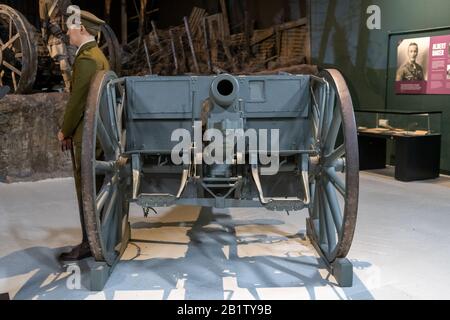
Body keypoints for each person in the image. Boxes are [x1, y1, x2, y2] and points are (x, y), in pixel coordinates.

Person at [57, 10, 110, 261]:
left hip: (85, 136)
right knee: (94, 188)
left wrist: (64, 130)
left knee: (85, 189)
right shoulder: (95, 56)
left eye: (70, 28)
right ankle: (96, 237)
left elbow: (78, 101)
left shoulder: (88, 59)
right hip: (95, 134)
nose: (67, 32)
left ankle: (89, 242)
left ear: (83, 30)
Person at [39, 0, 75, 91]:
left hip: (68, 35)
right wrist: (45, 38)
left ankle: (75, 85)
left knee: (74, 62)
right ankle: (69, 86)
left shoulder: (67, 2)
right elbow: (44, 21)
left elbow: (73, 19)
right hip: (55, 35)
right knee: (64, 63)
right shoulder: (44, 2)